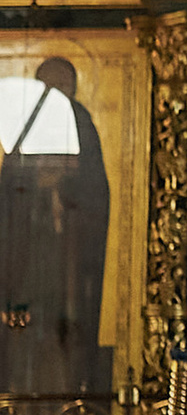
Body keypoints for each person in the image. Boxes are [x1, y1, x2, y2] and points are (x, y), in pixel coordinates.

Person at [0, 57, 112, 393]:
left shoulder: (80, 123)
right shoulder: (25, 123)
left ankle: (70, 396)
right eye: (48, 87)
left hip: (69, 254)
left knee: (64, 331)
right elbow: (9, 188)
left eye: (62, 88)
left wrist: (63, 187)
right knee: (24, 336)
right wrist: (35, 185)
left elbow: (96, 190)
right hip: (26, 253)